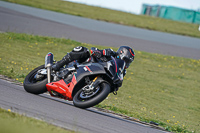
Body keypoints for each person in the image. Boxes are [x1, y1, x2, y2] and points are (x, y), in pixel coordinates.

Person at [52, 46, 135, 76]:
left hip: (95, 75)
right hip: (87, 64)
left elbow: (117, 85)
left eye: (128, 62)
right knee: (83, 50)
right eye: (125, 60)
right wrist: (98, 53)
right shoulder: (111, 53)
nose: (126, 63)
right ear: (120, 54)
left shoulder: (121, 72)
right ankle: (58, 65)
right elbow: (94, 49)